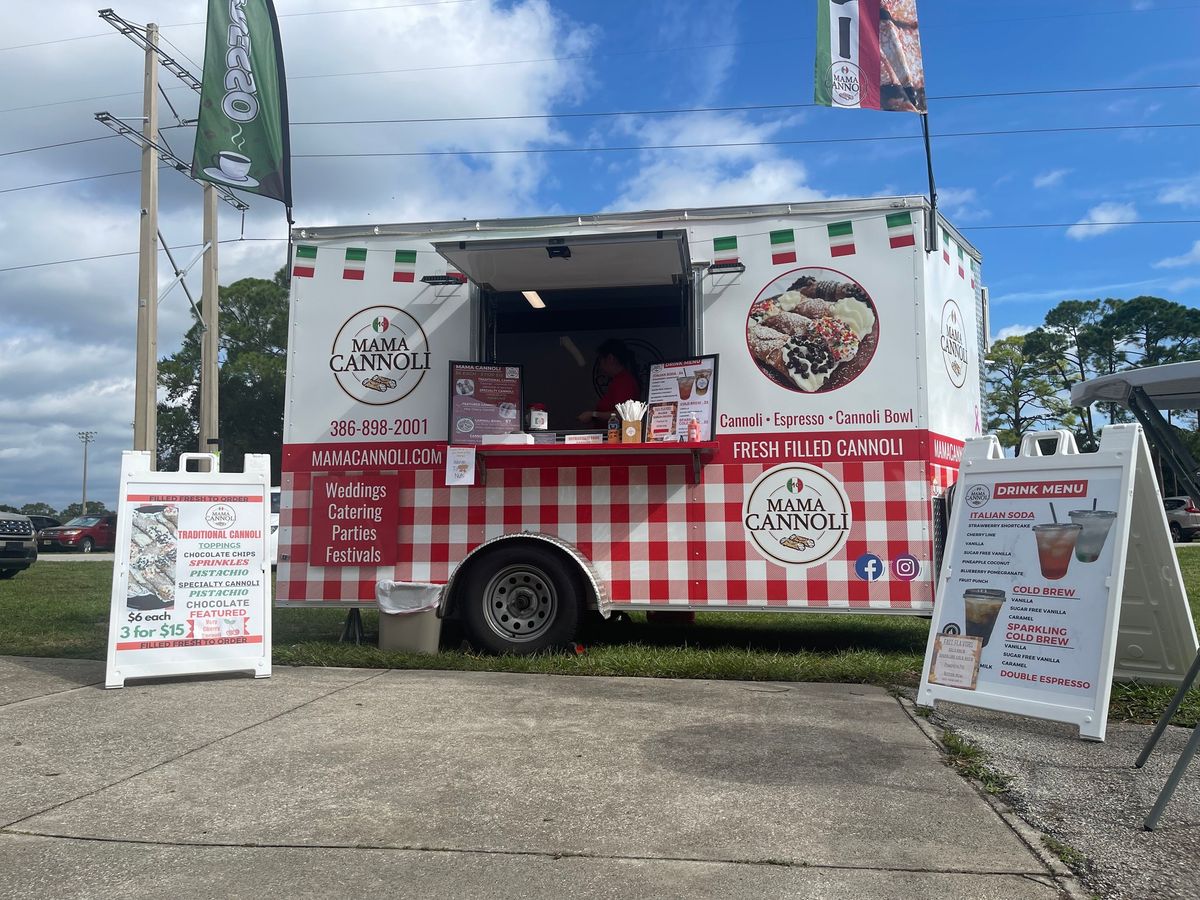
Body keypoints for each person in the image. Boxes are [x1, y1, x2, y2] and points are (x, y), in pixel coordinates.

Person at [577, 338, 640, 425]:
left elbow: (623, 414)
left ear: (610, 358)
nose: (601, 367)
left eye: (601, 361)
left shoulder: (624, 381)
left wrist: (593, 415)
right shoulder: (619, 380)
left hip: (616, 436)